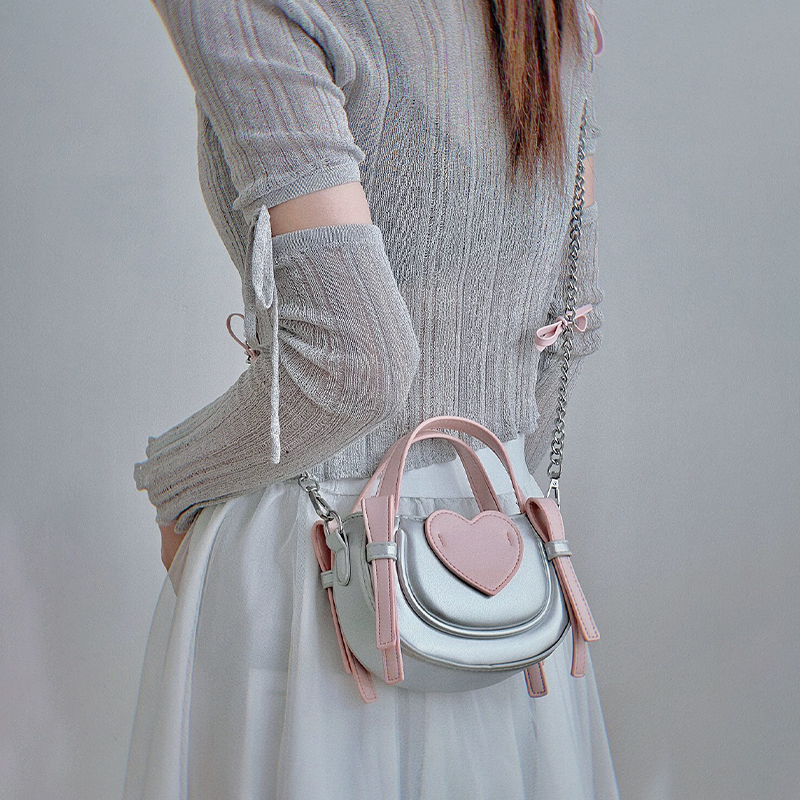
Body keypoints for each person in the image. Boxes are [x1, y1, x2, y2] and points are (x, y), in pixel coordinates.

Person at [124, 0, 619, 797]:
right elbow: (570, 320)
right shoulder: (557, 15)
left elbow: (356, 367)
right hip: (510, 583)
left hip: (320, 572)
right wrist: (489, 482)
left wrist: (172, 485)